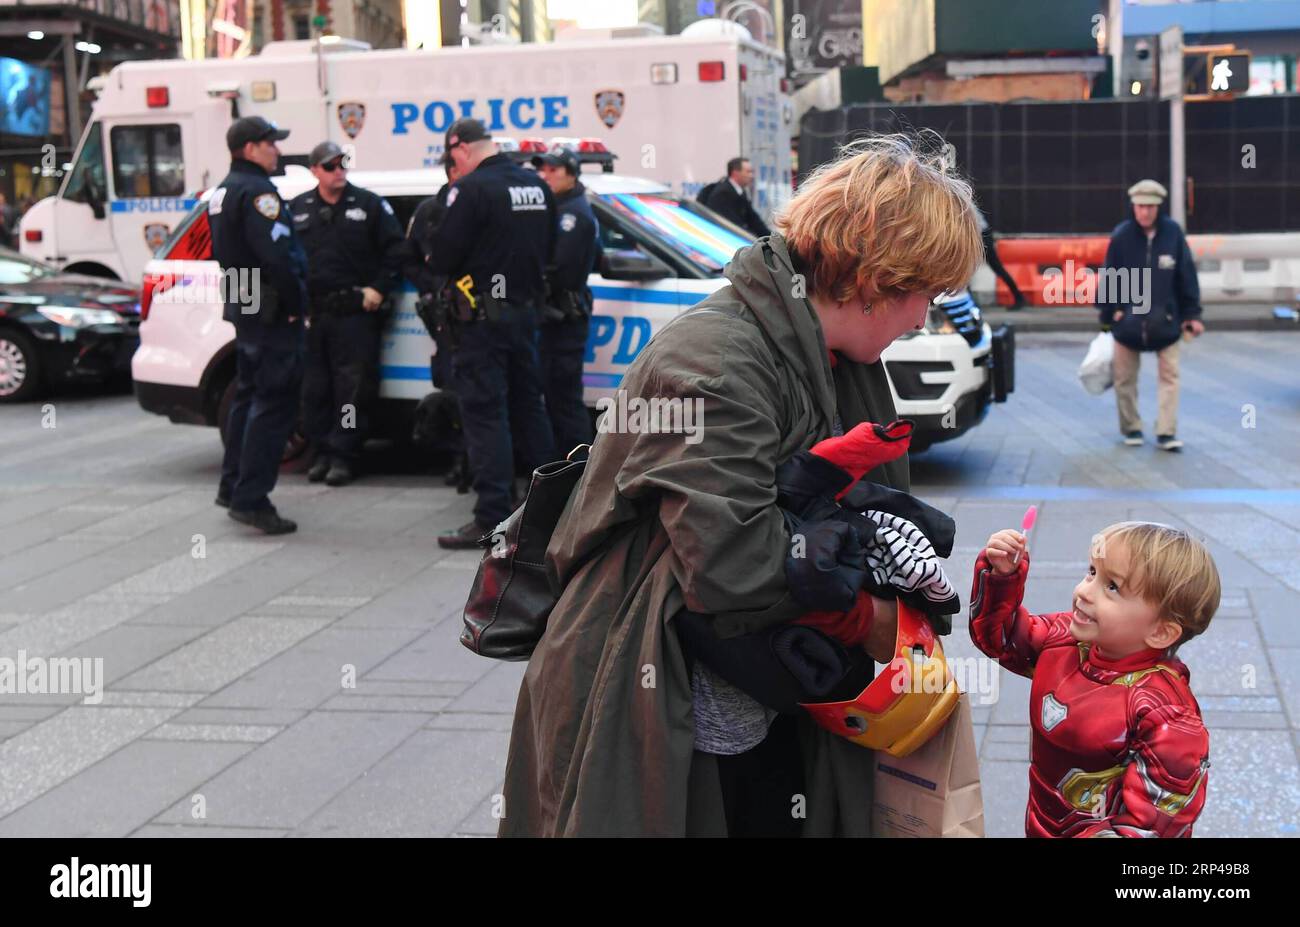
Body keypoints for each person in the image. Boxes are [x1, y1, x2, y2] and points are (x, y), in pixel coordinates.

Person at [498, 135, 984, 837]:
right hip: (659, 689)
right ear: (875, 277)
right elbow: (733, 568)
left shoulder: (834, 351)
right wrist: (868, 618)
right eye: (924, 295)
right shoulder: (716, 357)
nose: (921, 319)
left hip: (763, 684)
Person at [972, 521, 1218, 837]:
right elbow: (1000, 640)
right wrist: (1001, 578)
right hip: (1041, 822)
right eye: (1091, 573)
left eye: (1112, 586)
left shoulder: (1165, 714)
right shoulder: (1062, 640)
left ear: (1160, 631)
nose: (1083, 591)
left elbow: (1155, 820)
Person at [427, 118, 557, 548]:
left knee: (485, 416)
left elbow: (442, 257)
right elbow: (550, 249)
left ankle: (492, 518)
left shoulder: (472, 190)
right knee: (529, 409)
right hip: (524, 315)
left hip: (481, 323)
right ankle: (549, 510)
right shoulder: (535, 185)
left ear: (460, 149)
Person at [211, 116, 308, 535]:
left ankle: (233, 487)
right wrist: (296, 303)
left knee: (247, 399)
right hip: (270, 309)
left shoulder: (222, 191)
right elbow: (277, 256)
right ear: (250, 148)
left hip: (245, 301)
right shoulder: (257, 192)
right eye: (271, 143)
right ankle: (252, 499)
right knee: (272, 404)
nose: (277, 150)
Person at [291, 141, 404, 487]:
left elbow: (397, 251)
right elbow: (283, 259)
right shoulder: (297, 208)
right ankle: (321, 450)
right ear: (314, 171)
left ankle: (343, 453)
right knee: (315, 390)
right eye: (330, 165)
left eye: (342, 164)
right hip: (314, 315)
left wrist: (380, 288)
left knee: (352, 391)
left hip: (356, 314)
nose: (339, 170)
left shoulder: (369, 205)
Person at [1098, 179, 1204, 451]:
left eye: (1150, 207)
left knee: (1170, 377)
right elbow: (1109, 275)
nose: (1144, 212)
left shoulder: (1173, 234)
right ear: (1133, 206)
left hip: (1166, 321)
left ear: (1159, 208)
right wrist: (1110, 314)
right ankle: (1131, 427)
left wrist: (1192, 314)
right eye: (1140, 206)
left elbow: (1186, 276)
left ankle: (1166, 432)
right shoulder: (1121, 235)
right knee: (1124, 379)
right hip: (1128, 322)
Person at [532, 144, 599, 457]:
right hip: (555, 316)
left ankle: (578, 469)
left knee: (564, 399)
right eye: (542, 169)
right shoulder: (558, 207)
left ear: (571, 174)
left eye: (553, 170)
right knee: (556, 396)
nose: (545, 175)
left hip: (563, 317)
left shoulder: (572, 215)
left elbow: (557, 271)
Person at [700, 157, 771, 237]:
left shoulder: (740, 191)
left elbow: (754, 220)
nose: (752, 176)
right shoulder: (723, 193)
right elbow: (732, 225)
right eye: (748, 172)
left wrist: (770, 237)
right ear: (735, 173)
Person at [977, 206, 1027, 310]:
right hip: (980, 234)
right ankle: (1018, 296)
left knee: (997, 267)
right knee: (996, 268)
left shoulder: (961, 201)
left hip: (981, 236)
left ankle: (1019, 297)